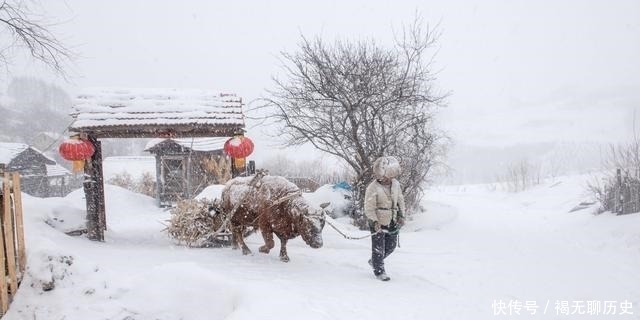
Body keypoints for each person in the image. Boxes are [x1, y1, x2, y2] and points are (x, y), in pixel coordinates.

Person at [364, 156, 406, 281]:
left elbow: (400, 200)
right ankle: (379, 271)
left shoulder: (395, 184)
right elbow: (369, 208)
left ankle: (375, 261)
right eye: (384, 177)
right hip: (378, 221)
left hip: (392, 219)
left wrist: (401, 215)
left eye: (389, 177)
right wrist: (374, 221)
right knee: (378, 248)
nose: (387, 180)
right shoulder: (372, 187)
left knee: (391, 246)